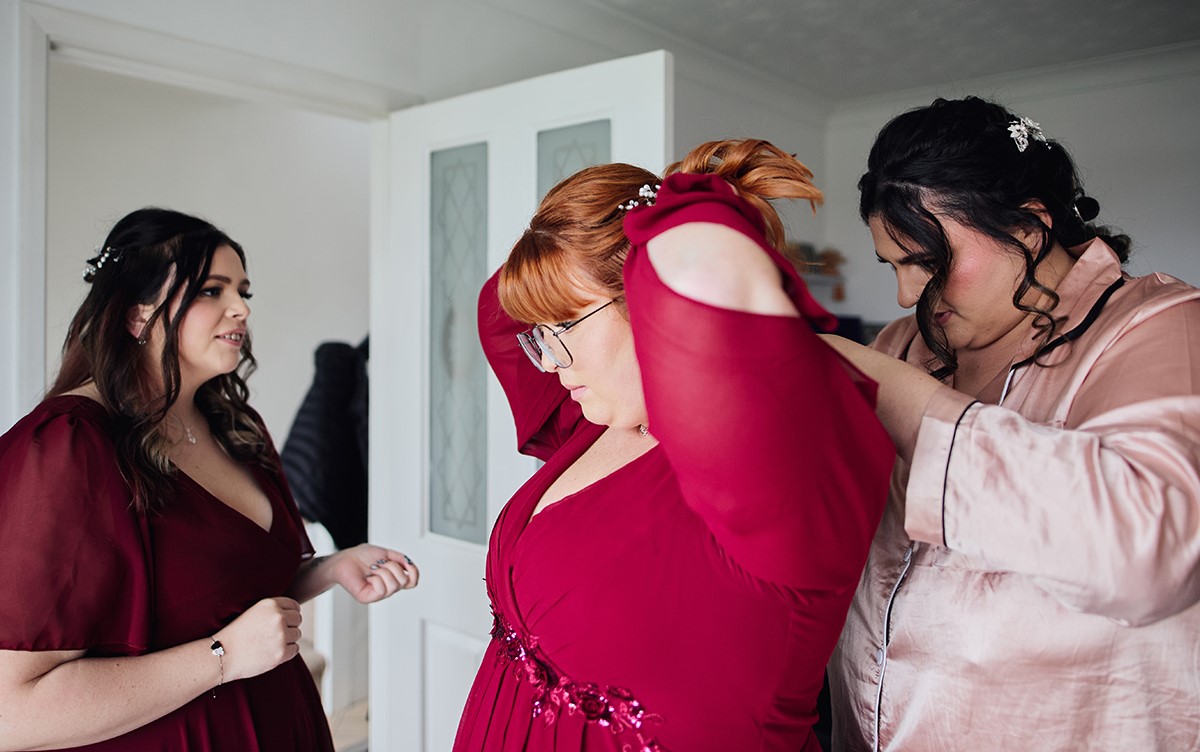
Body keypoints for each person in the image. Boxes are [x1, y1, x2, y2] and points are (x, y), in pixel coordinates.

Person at [454, 140, 895, 751]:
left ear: (648, 299)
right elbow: (498, 309)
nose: (550, 362)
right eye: (543, 334)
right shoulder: (588, 422)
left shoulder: (770, 473)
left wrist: (659, 236)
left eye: (565, 327)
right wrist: (597, 232)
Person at [822, 97, 1200, 750]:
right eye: (894, 265)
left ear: (1027, 229)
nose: (906, 296)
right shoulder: (900, 344)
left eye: (926, 262)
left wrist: (888, 391)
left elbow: (1148, 559)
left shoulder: (1162, 326)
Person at [0, 208, 420, 751]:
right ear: (137, 315)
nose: (241, 308)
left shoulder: (235, 428)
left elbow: (224, 592)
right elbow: (12, 710)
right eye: (211, 290)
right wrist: (224, 657)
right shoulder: (67, 447)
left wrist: (331, 568)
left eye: (243, 291)